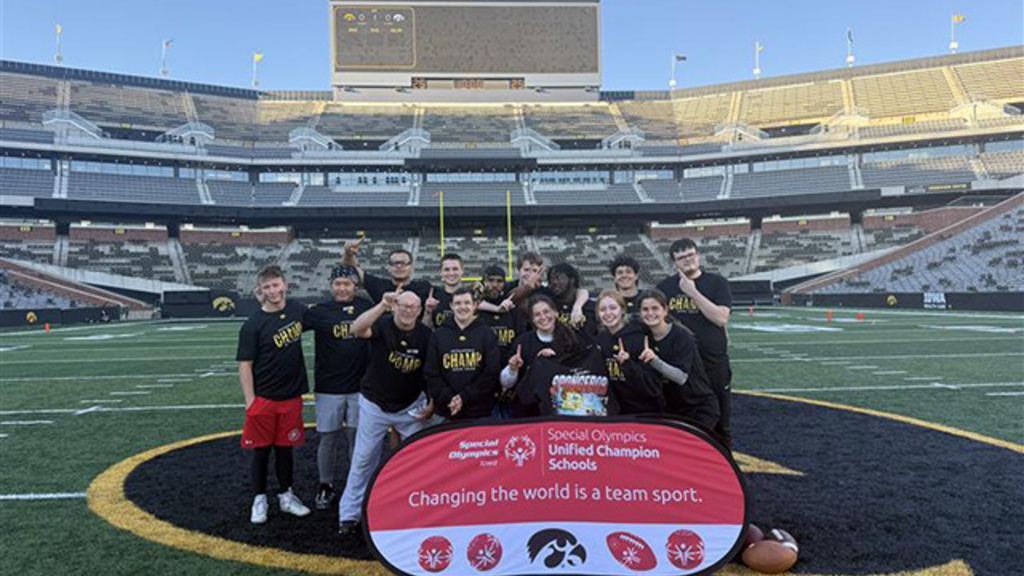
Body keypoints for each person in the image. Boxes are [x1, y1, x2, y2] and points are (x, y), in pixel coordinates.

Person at [337, 289, 433, 536]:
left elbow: (432, 373)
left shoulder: (426, 335)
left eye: (413, 306)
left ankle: (415, 509)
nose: (407, 310)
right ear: (395, 306)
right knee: (363, 459)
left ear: (420, 310)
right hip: (375, 403)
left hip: (410, 405)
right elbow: (357, 329)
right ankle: (349, 514)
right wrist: (382, 305)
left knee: (415, 461)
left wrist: (431, 402)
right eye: (403, 305)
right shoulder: (383, 324)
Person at [236, 265, 312, 525]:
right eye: (267, 287)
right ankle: (259, 499)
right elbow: (244, 364)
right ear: (261, 290)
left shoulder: (297, 310)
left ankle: (286, 496)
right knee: (260, 452)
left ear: (285, 285)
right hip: (264, 398)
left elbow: (323, 322)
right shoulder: (252, 325)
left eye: (276, 285)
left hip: (291, 396)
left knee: (285, 450)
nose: (273, 291)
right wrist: (250, 401)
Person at [301, 265, 373, 510]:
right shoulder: (319, 311)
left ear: (355, 285)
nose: (342, 288)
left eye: (347, 284)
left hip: (360, 386)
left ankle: (355, 486)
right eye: (338, 284)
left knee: (356, 437)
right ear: (331, 286)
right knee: (328, 438)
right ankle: (325, 484)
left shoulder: (366, 306)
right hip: (329, 386)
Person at [656, 238, 734, 447]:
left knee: (720, 420)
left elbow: (720, 318)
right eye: (681, 258)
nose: (687, 260)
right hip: (682, 366)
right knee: (683, 419)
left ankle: (723, 470)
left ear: (698, 255)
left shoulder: (717, 282)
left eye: (690, 255)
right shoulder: (664, 287)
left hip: (713, 362)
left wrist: (692, 292)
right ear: (675, 263)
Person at [500, 295, 600, 417]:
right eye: (537, 314)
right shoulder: (523, 342)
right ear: (532, 319)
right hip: (530, 413)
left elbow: (584, 373)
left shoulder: (573, 339)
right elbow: (506, 383)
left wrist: (552, 362)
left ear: (555, 313)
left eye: (546, 312)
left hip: (566, 411)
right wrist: (513, 369)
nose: (543, 317)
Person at [636, 289, 720, 434]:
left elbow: (680, 377)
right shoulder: (644, 335)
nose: (650, 313)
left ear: (665, 310)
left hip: (698, 406)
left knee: (693, 452)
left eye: (655, 308)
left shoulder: (681, 335)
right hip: (673, 408)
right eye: (645, 309)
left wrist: (654, 360)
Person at [424, 287, 501, 420]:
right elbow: (431, 372)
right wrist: (450, 398)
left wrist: (464, 397)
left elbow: (491, 372)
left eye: (467, 303)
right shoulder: (438, 335)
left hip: (480, 412)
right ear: (451, 306)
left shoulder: (487, 334)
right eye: (458, 303)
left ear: (475, 305)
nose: (462, 307)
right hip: (445, 410)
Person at [595, 290, 664, 415]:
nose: (608, 313)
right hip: (617, 413)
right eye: (603, 309)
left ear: (622, 310)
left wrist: (628, 364)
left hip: (644, 412)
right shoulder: (601, 339)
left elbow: (652, 387)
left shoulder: (639, 337)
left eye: (613, 308)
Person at [342, 237, 433, 313]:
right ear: (389, 268)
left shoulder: (424, 287)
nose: (399, 266)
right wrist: (348, 253)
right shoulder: (379, 285)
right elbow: (352, 269)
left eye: (403, 263)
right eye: (395, 263)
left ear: (411, 267)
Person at [546, 263, 597, 334]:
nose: (554, 282)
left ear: (572, 280)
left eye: (559, 278)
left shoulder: (589, 306)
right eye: (551, 279)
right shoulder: (547, 304)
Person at [424, 253, 465, 329]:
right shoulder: (434, 296)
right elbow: (425, 330)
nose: (451, 273)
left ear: (462, 271)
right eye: (447, 269)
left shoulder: (471, 296)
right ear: (441, 273)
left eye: (455, 269)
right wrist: (428, 312)